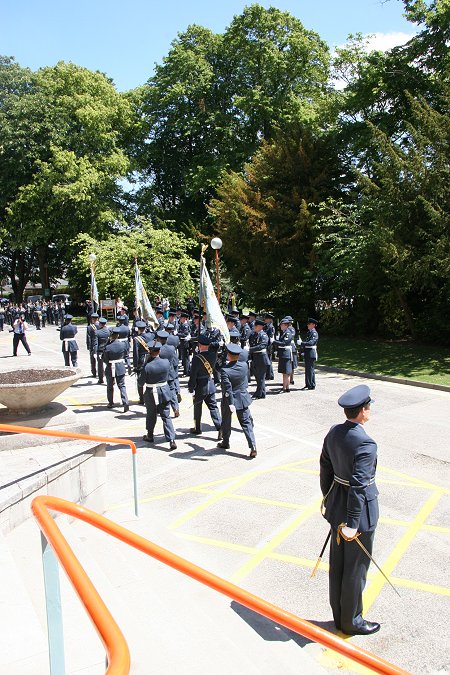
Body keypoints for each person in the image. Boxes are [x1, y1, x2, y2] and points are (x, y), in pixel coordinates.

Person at [320, 384, 380, 636]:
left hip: (337, 509)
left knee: (339, 565)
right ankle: (352, 620)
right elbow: (358, 486)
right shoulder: (366, 443)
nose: (369, 411)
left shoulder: (334, 432)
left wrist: (329, 498)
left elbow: (325, 468)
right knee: (355, 569)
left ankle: (339, 615)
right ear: (362, 412)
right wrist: (354, 522)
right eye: (368, 407)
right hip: (358, 516)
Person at [219, 343, 257, 458]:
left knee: (226, 421)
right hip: (242, 396)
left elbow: (228, 388)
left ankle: (226, 442)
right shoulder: (244, 365)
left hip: (229, 399)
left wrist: (230, 402)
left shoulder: (225, 370)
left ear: (229, 355)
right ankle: (253, 446)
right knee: (246, 423)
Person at [138, 340, 177, 450]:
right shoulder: (166, 362)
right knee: (166, 416)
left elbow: (141, 383)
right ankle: (172, 439)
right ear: (159, 351)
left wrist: (143, 367)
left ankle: (150, 435)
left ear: (150, 352)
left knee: (151, 414)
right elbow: (171, 375)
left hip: (151, 392)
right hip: (164, 390)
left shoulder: (147, 366)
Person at [188, 334, 222, 437]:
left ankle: (197, 428)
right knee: (213, 407)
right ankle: (220, 427)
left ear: (200, 345)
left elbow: (193, 375)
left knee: (198, 408)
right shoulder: (213, 355)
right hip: (210, 384)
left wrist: (191, 387)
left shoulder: (197, 358)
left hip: (199, 386)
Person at [102, 326, 130, 412]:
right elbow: (126, 355)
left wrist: (107, 343)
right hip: (120, 366)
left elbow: (105, 359)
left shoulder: (108, 347)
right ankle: (125, 402)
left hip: (110, 367)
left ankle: (110, 402)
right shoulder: (123, 345)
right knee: (122, 385)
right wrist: (128, 365)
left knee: (110, 386)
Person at [248, 318, 270, 399]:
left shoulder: (263, 335)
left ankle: (258, 394)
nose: (254, 327)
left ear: (260, 327)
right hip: (255, 358)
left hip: (261, 358)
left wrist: (250, 349)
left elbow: (262, 346)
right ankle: (262, 393)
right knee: (258, 377)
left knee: (260, 377)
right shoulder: (254, 334)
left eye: (255, 326)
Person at [273, 318, 295, 393]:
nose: (280, 326)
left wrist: (275, 342)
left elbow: (284, 343)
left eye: (282, 325)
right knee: (284, 372)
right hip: (283, 353)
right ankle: (285, 386)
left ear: (285, 325)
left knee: (286, 372)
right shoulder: (284, 332)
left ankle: (286, 387)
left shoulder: (288, 333)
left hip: (286, 354)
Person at [301, 318, 319, 390]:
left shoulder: (314, 333)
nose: (308, 325)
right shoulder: (309, 332)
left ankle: (311, 384)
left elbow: (312, 342)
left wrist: (302, 343)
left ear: (313, 325)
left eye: (309, 324)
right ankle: (308, 383)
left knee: (310, 369)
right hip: (308, 352)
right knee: (308, 369)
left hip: (311, 352)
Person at [95, 317, 110, 384]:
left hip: (100, 351)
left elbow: (96, 343)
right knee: (108, 365)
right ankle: (111, 379)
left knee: (100, 365)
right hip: (107, 350)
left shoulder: (97, 332)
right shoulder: (108, 331)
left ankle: (101, 379)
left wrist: (95, 352)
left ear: (100, 324)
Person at [86, 312, 99, 378]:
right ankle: (100, 372)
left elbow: (88, 338)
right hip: (100, 345)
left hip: (93, 345)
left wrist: (88, 347)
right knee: (100, 360)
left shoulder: (89, 327)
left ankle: (94, 372)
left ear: (92, 319)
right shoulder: (101, 325)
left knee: (93, 360)